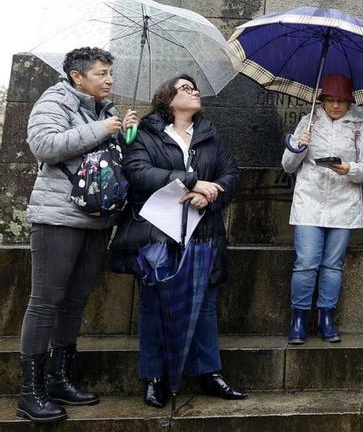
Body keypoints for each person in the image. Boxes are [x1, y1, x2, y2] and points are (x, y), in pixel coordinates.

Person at [110, 74, 246, 407]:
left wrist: (210, 197)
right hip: (157, 232)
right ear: (168, 98)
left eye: (195, 88)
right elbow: (138, 172)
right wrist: (192, 181)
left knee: (205, 307)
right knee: (153, 307)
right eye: (186, 88)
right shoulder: (144, 132)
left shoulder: (210, 135)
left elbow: (231, 175)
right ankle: (154, 377)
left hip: (203, 233)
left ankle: (209, 373)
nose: (194, 91)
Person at [19, 47, 138, 422]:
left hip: (97, 219)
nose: (109, 80)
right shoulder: (55, 99)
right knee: (45, 303)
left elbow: (106, 160)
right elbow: (44, 146)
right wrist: (101, 129)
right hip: (58, 218)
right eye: (102, 74)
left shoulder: (106, 109)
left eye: (110, 73)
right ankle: (30, 392)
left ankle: (59, 378)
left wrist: (124, 133)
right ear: (77, 76)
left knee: (74, 303)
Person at [283, 74, 363, 345]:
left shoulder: (360, 128)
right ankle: (299, 318)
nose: (335, 106)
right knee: (306, 263)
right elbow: (288, 165)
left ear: (350, 102)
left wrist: (351, 169)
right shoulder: (308, 121)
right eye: (330, 100)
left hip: (343, 203)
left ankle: (326, 316)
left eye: (341, 101)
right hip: (309, 202)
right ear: (321, 100)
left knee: (332, 266)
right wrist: (299, 146)